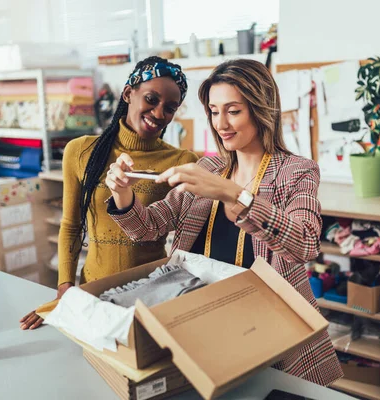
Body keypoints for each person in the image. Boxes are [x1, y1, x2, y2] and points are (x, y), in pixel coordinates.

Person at [105, 59, 343, 386]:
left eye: (233, 111)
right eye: (214, 112)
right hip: (205, 324)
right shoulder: (209, 167)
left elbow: (304, 244)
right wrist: (122, 192)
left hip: (267, 331)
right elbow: (147, 227)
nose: (221, 124)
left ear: (261, 110)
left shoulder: (296, 171)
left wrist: (234, 194)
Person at [20, 56, 198, 330]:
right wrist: (65, 289)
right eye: (151, 99)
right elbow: (71, 225)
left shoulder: (180, 161)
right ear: (129, 93)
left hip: (150, 294)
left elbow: (187, 237)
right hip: (93, 290)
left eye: (170, 108)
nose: (160, 113)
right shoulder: (81, 151)